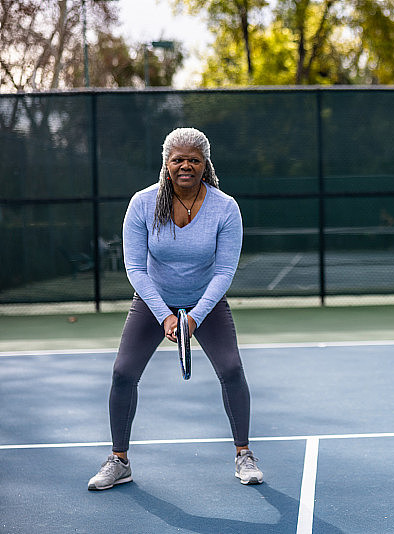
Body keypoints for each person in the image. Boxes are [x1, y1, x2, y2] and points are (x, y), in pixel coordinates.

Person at [88, 127, 263, 490]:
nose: (186, 165)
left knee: (231, 369)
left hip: (207, 303)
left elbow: (225, 270)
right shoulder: (142, 204)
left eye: (194, 160)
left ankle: (244, 455)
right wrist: (165, 315)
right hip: (154, 301)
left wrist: (195, 316)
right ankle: (119, 461)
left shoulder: (225, 207)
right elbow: (135, 268)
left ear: (205, 164)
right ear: (167, 164)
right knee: (123, 373)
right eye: (178, 159)